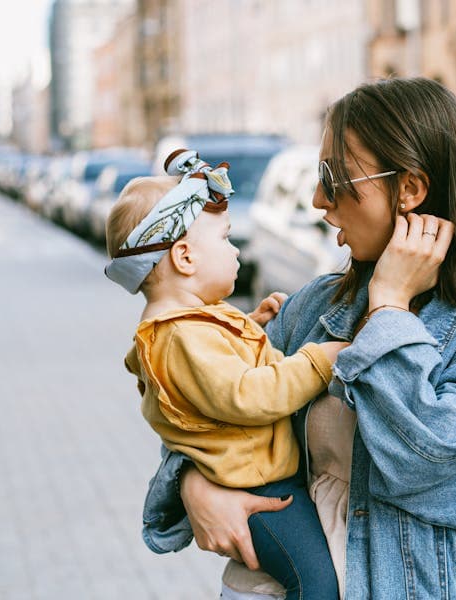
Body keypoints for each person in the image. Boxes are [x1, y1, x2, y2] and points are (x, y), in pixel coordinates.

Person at [142, 78, 456, 599]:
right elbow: (206, 408)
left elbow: (420, 462)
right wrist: (193, 484)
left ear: (410, 189)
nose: (318, 199)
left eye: (333, 178)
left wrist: (390, 309)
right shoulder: (316, 307)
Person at [104, 149, 345, 600]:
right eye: (226, 239)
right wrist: (319, 360)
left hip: (258, 481)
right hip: (261, 492)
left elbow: (212, 370)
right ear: (185, 257)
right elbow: (246, 395)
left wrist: (250, 326)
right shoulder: (181, 336)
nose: (236, 250)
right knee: (318, 582)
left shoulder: (187, 327)